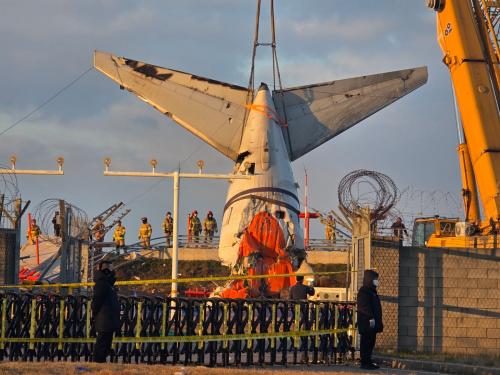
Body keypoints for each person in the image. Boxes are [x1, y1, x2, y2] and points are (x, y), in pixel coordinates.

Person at [92, 260, 120, 363]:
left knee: (106, 342)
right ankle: (98, 363)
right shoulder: (102, 283)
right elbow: (97, 301)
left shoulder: (108, 283)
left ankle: (101, 362)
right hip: (104, 318)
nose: (112, 270)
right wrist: (95, 314)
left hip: (108, 318)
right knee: (102, 342)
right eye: (110, 268)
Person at [357, 270, 383, 370]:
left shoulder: (372, 291)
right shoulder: (364, 291)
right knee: (366, 341)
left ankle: (368, 360)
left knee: (371, 341)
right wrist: (371, 318)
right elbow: (364, 307)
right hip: (367, 321)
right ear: (370, 279)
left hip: (372, 321)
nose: (376, 281)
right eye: (375, 279)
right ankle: (365, 362)